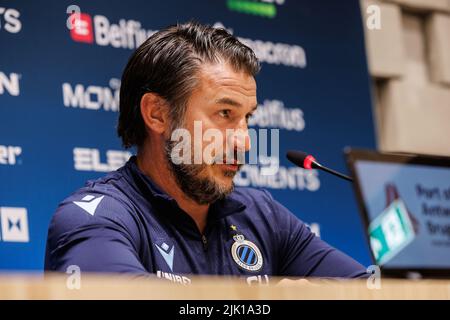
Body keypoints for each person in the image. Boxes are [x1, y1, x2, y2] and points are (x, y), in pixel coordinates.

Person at [45, 22, 367, 282]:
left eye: (248, 118)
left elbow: (369, 290)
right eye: (225, 114)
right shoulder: (95, 216)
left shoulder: (261, 215)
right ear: (157, 114)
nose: (245, 143)